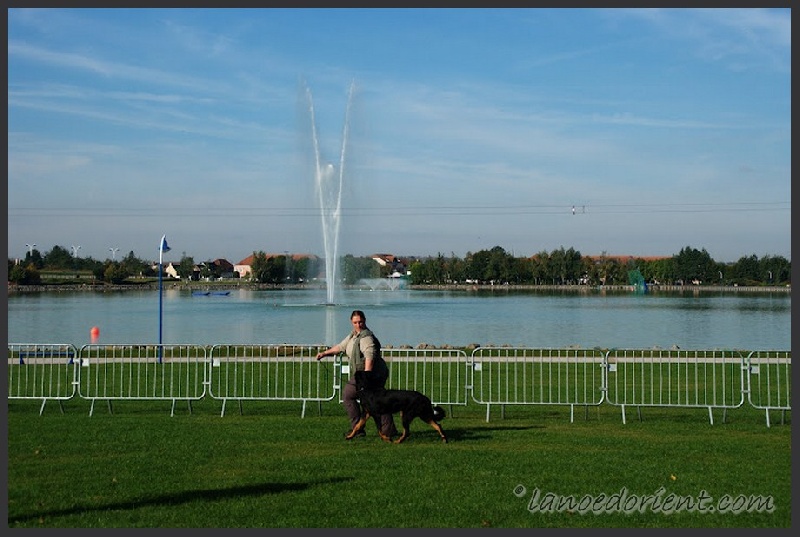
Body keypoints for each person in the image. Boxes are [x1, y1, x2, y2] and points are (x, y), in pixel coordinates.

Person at [316, 310, 398, 439]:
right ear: (351, 322)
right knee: (375, 401)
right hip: (366, 375)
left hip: (372, 375)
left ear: (365, 321)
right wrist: (325, 354)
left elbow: (369, 357)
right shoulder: (353, 335)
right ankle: (386, 430)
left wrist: (366, 378)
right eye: (355, 322)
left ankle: (360, 429)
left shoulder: (366, 337)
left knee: (350, 395)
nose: (358, 324)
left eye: (360, 322)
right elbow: (341, 347)